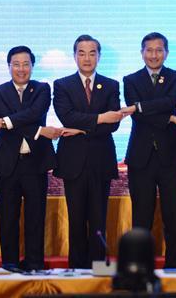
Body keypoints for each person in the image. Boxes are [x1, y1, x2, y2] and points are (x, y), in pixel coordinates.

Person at [53, 35, 135, 269]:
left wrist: (82, 127)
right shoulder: (62, 85)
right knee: (76, 219)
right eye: (82, 52)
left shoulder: (110, 85)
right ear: (74, 56)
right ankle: (77, 269)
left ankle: (99, 268)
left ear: (99, 56)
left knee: (99, 219)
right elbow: (66, 117)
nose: (87, 58)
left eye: (92, 53)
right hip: (72, 161)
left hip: (101, 160)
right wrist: (99, 118)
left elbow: (114, 124)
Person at [0, 46, 63, 272]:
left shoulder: (41, 88)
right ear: (9, 66)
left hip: (35, 162)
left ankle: (35, 264)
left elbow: (33, 113)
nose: (21, 69)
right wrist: (40, 130)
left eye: (26, 64)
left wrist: (5, 122)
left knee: (35, 216)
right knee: (7, 217)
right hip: (7, 164)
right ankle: (9, 264)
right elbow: (29, 119)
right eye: (16, 64)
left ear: (32, 66)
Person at [122, 32, 176, 269]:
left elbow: (169, 102)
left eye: (159, 50)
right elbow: (146, 115)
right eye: (149, 50)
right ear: (142, 53)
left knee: (173, 214)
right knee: (141, 217)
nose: (154, 55)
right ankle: (140, 268)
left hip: (171, 155)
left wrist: (139, 106)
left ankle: (174, 265)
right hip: (141, 156)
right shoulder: (130, 80)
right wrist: (168, 118)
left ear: (166, 53)